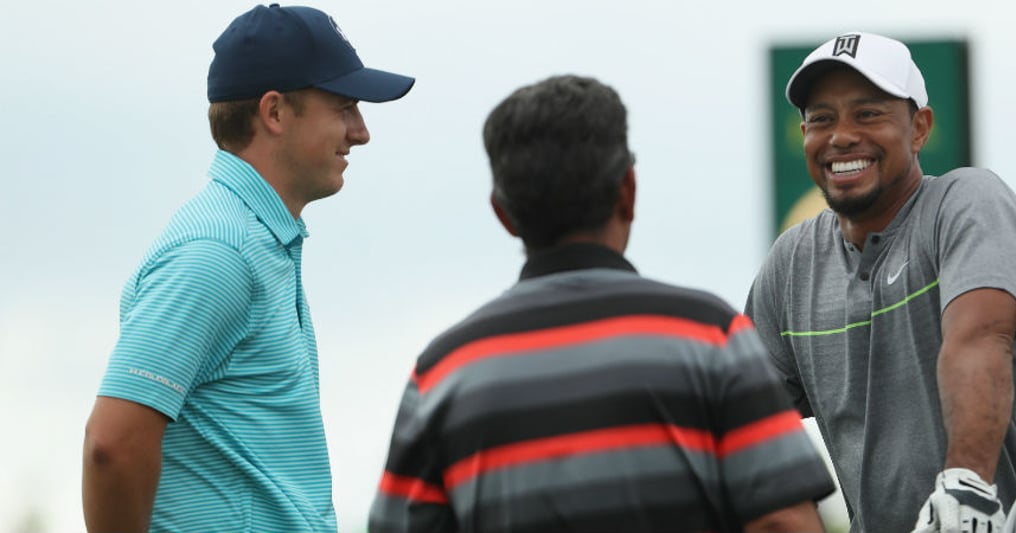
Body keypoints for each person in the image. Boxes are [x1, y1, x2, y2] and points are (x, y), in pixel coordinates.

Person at [367, 74, 834, 533]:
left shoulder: (444, 374)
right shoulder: (711, 337)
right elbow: (782, 521)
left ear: (503, 214)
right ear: (627, 192)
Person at [81, 4, 414, 532]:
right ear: (275, 113)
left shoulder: (252, 240)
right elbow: (112, 444)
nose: (361, 131)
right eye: (345, 106)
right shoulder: (217, 253)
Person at [743, 31, 1016, 532]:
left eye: (868, 114)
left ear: (919, 128)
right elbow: (744, 421)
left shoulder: (966, 202)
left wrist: (966, 491)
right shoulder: (791, 261)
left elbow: (979, 338)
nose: (841, 136)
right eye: (821, 119)